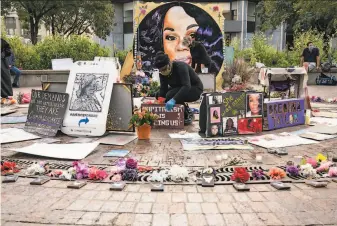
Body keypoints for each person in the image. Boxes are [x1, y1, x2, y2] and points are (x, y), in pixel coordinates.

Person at [138, 2, 223, 76]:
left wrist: (197, 69)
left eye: (192, 35)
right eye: (171, 37)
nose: (181, 47)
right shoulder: (162, 75)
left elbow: (200, 59)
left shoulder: (199, 48)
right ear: (160, 42)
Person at [154, 51, 203, 125]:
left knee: (170, 95)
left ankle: (187, 113)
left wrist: (173, 100)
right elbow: (163, 88)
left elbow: (186, 86)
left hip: (194, 89)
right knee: (158, 94)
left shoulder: (180, 67)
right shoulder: (162, 73)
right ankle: (174, 111)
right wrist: (161, 101)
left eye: (164, 69)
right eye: (160, 70)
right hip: (179, 87)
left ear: (169, 64)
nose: (163, 72)